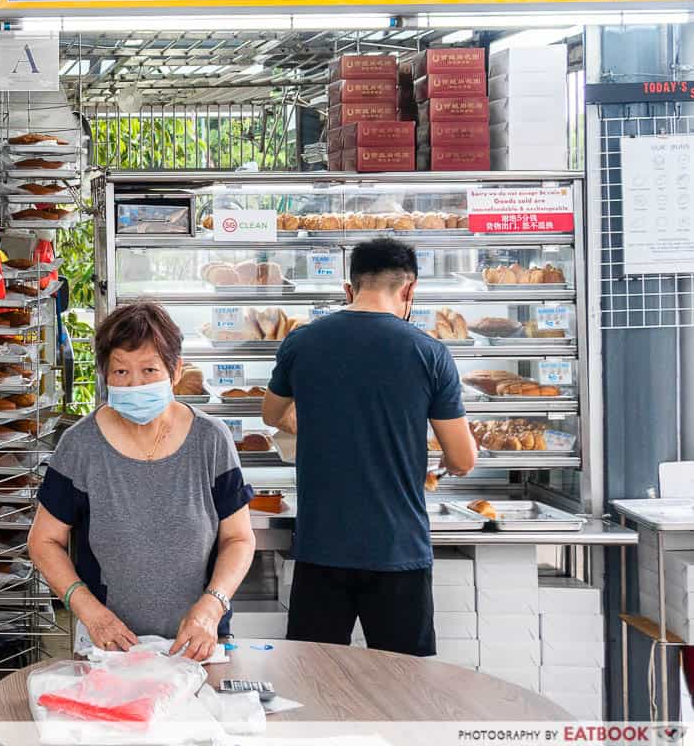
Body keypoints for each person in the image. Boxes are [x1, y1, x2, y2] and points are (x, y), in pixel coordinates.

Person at [262, 237, 477, 657]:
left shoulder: (302, 342)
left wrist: (319, 424)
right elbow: (463, 460)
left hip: (320, 548)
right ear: (409, 290)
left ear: (349, 289)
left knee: (315, 680)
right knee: (405, 686)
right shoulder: (430, 353)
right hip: (398, 550)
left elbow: (271, 414)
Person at [28, 299, 256, 660]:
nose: (134, 384)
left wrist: (212, 607)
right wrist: (90, 612)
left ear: (176, 370)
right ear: (105, 375)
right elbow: (44, 541)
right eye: (120, 372)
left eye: (149, 370)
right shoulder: (80, 445)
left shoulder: (210, 439)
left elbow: (239, 538)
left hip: (198, 642)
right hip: (110, 646)